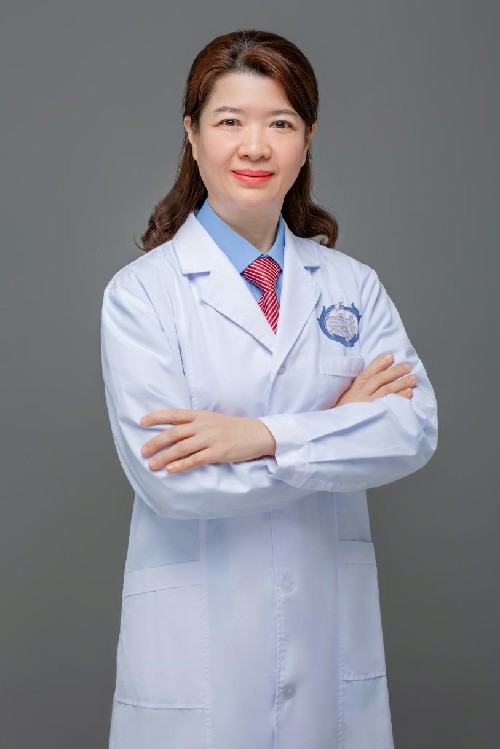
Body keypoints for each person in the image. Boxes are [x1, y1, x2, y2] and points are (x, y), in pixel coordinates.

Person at [100, 29, 438, 749]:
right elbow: (174, 481)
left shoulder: (352, 285)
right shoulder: (143, 294)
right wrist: (337, 432)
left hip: (326, 640)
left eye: (280, 123)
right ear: (192, 135)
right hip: (200, 655)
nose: (254, 147)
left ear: (307, 141)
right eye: (230, 121)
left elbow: (412, 430)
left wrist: (259, 436)